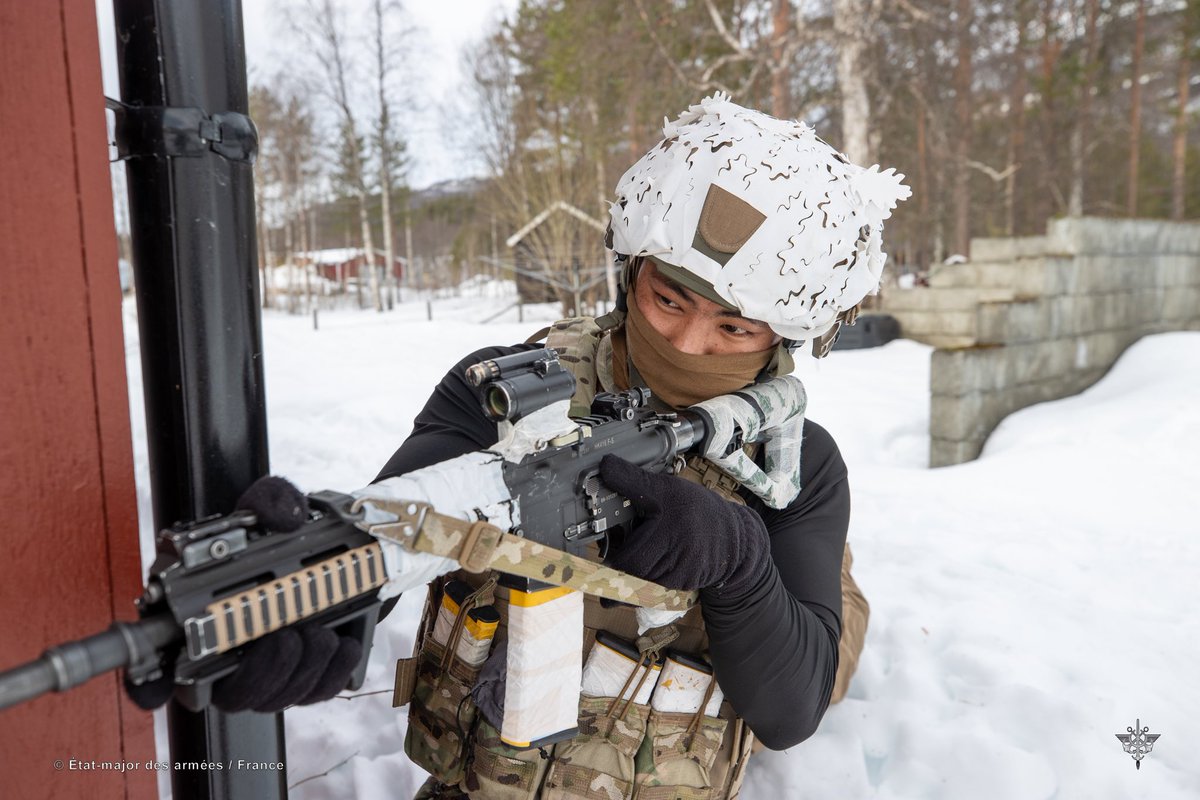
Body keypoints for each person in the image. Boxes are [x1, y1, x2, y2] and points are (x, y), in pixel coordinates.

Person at [375, 95, 909, 800]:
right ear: (632, 274)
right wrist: (323, 596)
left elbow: (791, 708)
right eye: (669, 301)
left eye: (735, 329)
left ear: (781, 337)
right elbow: (386, 529)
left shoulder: (797, 464)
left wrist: (741, 561)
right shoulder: (505, 390)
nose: (688, 346)